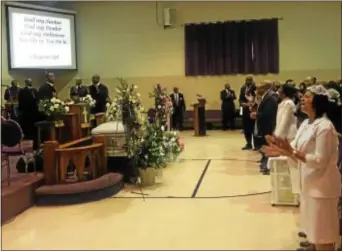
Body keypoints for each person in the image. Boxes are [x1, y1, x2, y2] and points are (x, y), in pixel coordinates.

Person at [262, 85, 341, 251]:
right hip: (309, 185)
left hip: (322, 191)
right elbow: (294, 147)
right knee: (313, 232)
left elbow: (319, 160)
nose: (303, 99)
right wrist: (280, 150)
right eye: (303, 96)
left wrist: (292, 152)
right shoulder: (306, 123)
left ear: (318, 102)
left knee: (323, 235)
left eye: (308, 96)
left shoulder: (325, 127)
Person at [250, 80, 278, 174]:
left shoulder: (270, 97)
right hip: (263, 124)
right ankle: (264, 161)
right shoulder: (264, 97)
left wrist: (256, 115)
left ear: (265, 88)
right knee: (262, 144)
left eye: (259, 88)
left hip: (268, 125)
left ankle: (266, 166)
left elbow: (268, 113)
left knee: (266, 145)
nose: (257, 90)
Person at [18, 79, 39, 145]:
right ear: (26, 83)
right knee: (28, 124)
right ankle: (28, 135)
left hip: (35, 110)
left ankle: (34, 135)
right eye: (29, 82)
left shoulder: (35, 90)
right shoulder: (22, 91)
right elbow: (21, 101)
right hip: (27, 110)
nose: (31, 82)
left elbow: (37, 98)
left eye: (31, 81)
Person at [239, 76, 256, 150]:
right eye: (247, 80)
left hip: (254, 110)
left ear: (252, 81)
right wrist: (243, 103)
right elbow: (240, 99)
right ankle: (248, 143)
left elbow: (258, 98)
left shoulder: (255, 88)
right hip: (246, 110)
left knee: (254, 128)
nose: (248, 82)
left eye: (249, 80)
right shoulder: (243, 88)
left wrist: (253, 104)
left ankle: (256, 144)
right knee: (246, 128)